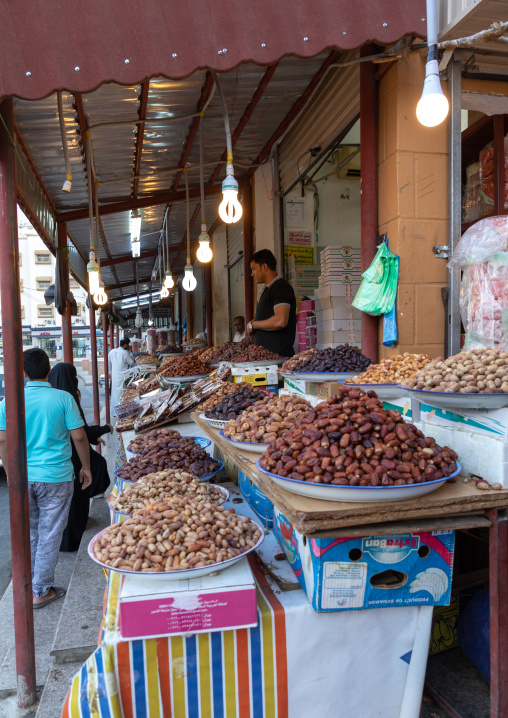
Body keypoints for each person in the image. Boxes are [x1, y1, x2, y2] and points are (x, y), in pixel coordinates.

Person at [0, 349, 92, 608]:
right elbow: (80, 437)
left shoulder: (9, 401)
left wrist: (10, 471)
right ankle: (40, 590)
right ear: (48, 371)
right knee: (50, 533)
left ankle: (31, 584)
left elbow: (3, 440)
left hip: (23, 477)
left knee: (31, 533)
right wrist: (86, 467)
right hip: (56, 477)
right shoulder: (63, 398)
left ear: (24, 373)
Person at [48, 363, 113, 551]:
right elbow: (80, 433)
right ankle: (71, 539)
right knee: (76, 497)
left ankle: (62, 540)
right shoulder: (68, 399)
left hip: (57, 457)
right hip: (74, 456)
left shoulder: (50, 398)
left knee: (60, 504)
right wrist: (86, 466)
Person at [247, 249, 297, 357]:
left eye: (253, 269)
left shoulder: (281, 287)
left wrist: (253, 325)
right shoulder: (267, 290)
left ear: (264, 267)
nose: (252, 274)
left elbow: (280, 321)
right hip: (268, 359)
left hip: (279, 359)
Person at [108, 337, 134, 413]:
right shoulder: (125, 353)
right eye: (128, 345)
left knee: (115, 394)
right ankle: (122, 411)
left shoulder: (112, 351)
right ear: (125, 345)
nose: (128, 346)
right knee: (123, 395)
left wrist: (110, 372)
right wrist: (130, 352)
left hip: (115, 376)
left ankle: (115, 411)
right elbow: (131, 362)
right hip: (123, 377)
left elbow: (109, 363)